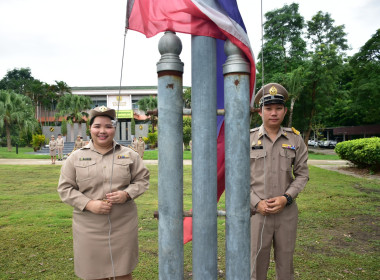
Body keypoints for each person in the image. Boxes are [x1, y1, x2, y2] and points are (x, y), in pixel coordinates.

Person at [57, 105, 150, 280]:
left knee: (123, 272)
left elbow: (142, 180)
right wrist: (89, 204)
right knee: (93, 273)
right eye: (97, 126)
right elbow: (65, 188)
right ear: (90, 129)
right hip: (89, 227)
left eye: (108, 126)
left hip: (123, 224)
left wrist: (127, 194)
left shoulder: (130, 155)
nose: (102, 131)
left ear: (114, 128)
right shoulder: (75, 157)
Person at [250, 83, 309, 280]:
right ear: (260, 112)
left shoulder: (295, 139)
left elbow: (302, 174)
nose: (273, 113)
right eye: (268, 108)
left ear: (284, 111)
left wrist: (287, 198)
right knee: (256, 266)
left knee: (285, 266)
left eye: (278, 108)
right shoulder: (246, 139)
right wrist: (255, 203)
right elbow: (237, 177)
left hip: (286, 213)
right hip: (257, 213)